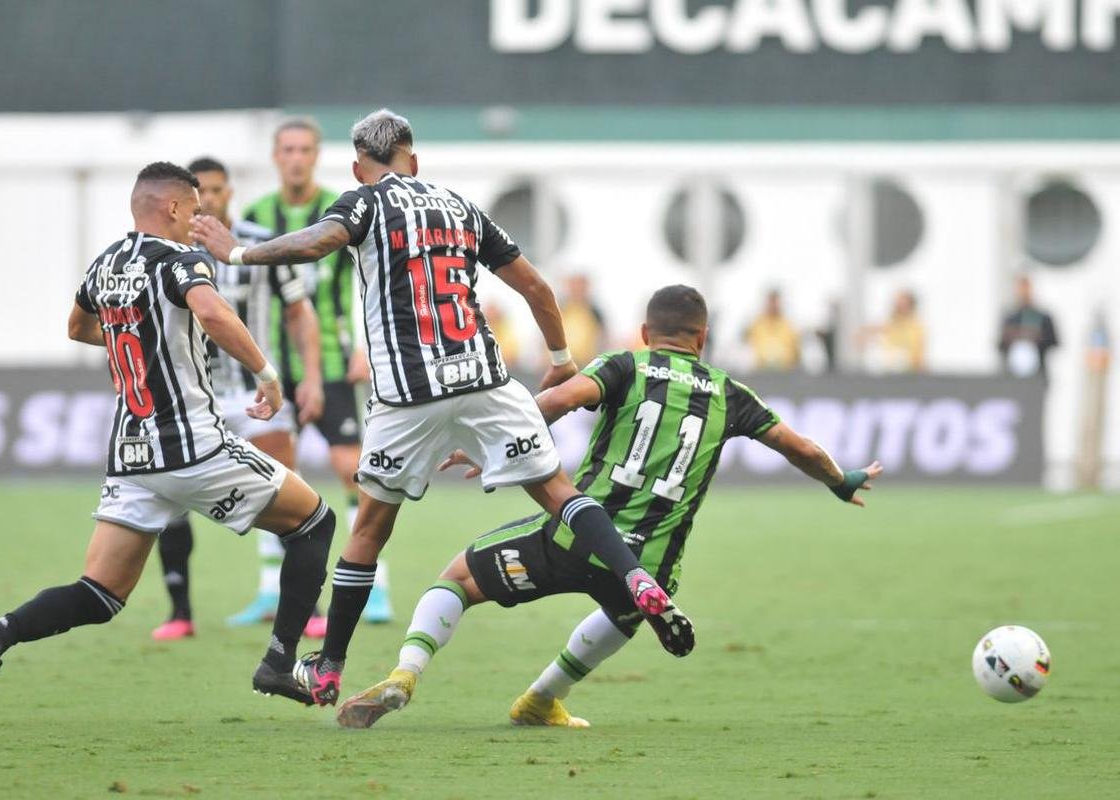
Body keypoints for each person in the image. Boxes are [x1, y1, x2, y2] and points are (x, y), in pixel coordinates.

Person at [190, 109, 689, 707]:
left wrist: (240, 255)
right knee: (560, 492)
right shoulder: (462, 208)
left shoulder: (364, 202)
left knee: (370, 527)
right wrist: (559, 357)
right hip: (483, 377)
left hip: (406, 395)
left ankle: (328, 667)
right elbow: (535, 287)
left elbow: (319, 241)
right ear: (414, 159)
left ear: (359, 168)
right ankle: (636, 577)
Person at [335, 285, 883, 729]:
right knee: (626, 611)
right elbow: (803, 449)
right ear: (704, 337)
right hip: (650, 560)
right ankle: (543, 697)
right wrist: (842, 480)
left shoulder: (626, 365)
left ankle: (407, 672)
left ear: (646, 333)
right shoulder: (730, 394)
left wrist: (492, 446)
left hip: (575, 537)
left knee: (457, 579)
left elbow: (555, 399)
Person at [0, 162, 335, 708]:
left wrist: (129, 342)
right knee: (315, 521)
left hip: (133, 455)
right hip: (193, 445)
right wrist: (269, 376)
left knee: (100, 592)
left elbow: (78, 327)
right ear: (175, 208)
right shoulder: (180, 259)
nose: (199, 218)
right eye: (195, 208)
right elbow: (211, 311)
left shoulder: (107, 263)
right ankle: (279, 663)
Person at [149, 156, 326, 641]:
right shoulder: (165, 250)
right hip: (189, 399)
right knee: (172, 503)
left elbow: (299, 312)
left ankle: (307, 610)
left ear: (230, 192)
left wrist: (309, 376)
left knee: (294, 500)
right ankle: (180, 612)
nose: (209, 199)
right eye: (199, 190)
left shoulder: (257, 240)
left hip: (256, 394)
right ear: (183, 199)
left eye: (218, 189)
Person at [239, 117, 391, 629]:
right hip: (273, 369)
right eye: (288, 149)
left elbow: (373, 278)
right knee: (274, 478)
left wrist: (364, 346)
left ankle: (374, 585)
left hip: (333, 363)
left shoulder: (344, 207)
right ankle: (268, 591)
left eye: (305, 149)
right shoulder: (256, 215)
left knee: (353, 469)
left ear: (316, 154)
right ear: (276, 156)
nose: (297, 157)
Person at [998, 275, 1058, 380]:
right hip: (1013, 375)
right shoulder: (1010, 318)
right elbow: (1000, 345)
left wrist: (1036, 338)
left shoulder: (1043, 317)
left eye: (1026, 287)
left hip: (1038, 374)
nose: (1024, 291)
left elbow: (1053, 341)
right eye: (1021, 287)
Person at [858, 290, 925, 373]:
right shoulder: (892, 322)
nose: (898, 307)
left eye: (902, 304)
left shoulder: (916, 326)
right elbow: (875, 330)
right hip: (888, 369)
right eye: (897, 304)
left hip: (907, 371)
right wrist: (863, 335)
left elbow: (916, 356)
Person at [744, 288, 800, 371]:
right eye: (771, 301)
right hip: (760, 371)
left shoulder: (789, 326)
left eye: (776, 301)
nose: (773, 305)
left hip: (785, 373)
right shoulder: (756, 324)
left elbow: (796, 353)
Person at [558, 272, 607, 366]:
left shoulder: (594, 311)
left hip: (587, 362)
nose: (577, 289)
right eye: (574, 285)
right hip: (562, 361)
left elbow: (603, 336)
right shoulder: (560, 308)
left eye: (580, 285)